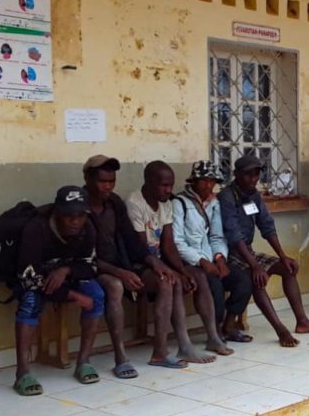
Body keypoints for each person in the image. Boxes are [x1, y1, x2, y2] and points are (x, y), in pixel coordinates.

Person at [83, 154, 192, 378]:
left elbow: (132, 241)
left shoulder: (114, 203)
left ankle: (160, 352)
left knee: (166, 280)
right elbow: (84, 256)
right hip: (90, 269)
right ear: (87, 179)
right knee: (115, 286)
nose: (107, 186)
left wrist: (156, 263)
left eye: (111, 181)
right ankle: (121, 357)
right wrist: (120, 272)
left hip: (121, 265)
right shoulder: (80, 205)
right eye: (102, 181)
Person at [127, 161, 231, 364]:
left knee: (197, 276)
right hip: (139, 263)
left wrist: (183, 271)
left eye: (171, 185)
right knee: (170, 282)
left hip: (160, 261)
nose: (169, 190)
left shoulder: (166, 203)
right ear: (148, 182)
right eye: (164, 185)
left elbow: (168, 245)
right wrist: (172, 271)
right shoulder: (135, 203)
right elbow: (140, 249)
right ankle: (176, 348)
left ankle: (212, 337)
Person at [220, 155, 309, 347]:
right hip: (229, 254)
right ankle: (280, 330)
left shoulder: (253, 194)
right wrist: (255, 266)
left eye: (256, 174)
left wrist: (283, 256)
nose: (253, 179)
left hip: (247, 251)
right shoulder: (227, 197)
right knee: (257, 278)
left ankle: (302, 321)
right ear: (236, 174)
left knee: (288, 268)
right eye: (248, 175)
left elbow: (267, 226)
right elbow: (234, 236)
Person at [13, 186, 105, 395]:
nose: (75, 221)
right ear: (57, 213)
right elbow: (28, 278)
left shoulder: (87, 228)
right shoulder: (36, 228)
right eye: (69, 216)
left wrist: (66, 270)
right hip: (34, 278)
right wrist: (71, 295)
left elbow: (90, 266)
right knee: (30, 302)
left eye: (80, 216)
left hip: (66, 275)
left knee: (97, 296)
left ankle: (84, 361)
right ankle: (22, 372)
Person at [172, 160, 251, 343]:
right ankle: (214, 332)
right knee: (214, 286)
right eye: (204, 180)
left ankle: (229, 326)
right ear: (194, 181)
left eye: (212, 181)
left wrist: (220, 258)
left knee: (243, 279)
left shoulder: (214, 203)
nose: (208, 185)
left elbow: (217, 236)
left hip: (211, 259)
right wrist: (202, 261)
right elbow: (177, 242)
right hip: (190, 262)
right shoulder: (179, 203)